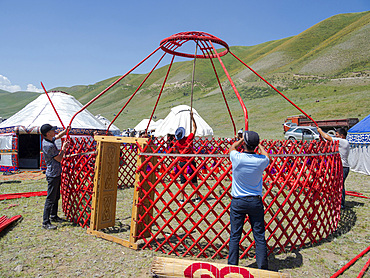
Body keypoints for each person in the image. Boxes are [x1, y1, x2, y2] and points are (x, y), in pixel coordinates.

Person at [228, 130, 270, 269]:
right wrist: (261, 146)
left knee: (235, 235)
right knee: (259, 235)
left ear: (244, 144)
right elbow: (266, 156)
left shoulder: (237, 158)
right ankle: (262, 267)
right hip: (254, 201)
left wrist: (240, 140)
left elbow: (232, 148)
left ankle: (232, 266)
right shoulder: (261, 161)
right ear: (256, 145)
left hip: (238, 201)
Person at [41, 124, 69, 230]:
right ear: (48, 133)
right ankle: (45, 222)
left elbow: (57, 137)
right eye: (52, 130)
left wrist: (66, 131)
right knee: (50, 198)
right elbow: (59, 158)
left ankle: (54, 216)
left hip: (56, 173)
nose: (55, 131)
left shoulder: (48, 140)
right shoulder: (49, 146)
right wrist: (63, 148)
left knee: (56, 196)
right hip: (53, 174)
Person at [317, 127, 349, 209]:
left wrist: (320, 131)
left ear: (342, 136)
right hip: (340, 166)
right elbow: (327, 140)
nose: (335, 136)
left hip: (343, 167)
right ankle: (338, 201)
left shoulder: (343, 141)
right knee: (338, 185)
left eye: (337, 134)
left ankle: (341, 204)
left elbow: (328, 137)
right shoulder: (340, 142)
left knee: (340, 185)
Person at [174, 111, 199, 203]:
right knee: (194, 179)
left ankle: (182, 198)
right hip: (190, 162)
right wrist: (192, 118)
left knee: (182, 181)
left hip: (182, 162)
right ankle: (196, 196)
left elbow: (176, 152)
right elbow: (194, 128)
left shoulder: (177, 143)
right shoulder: (189, 139)